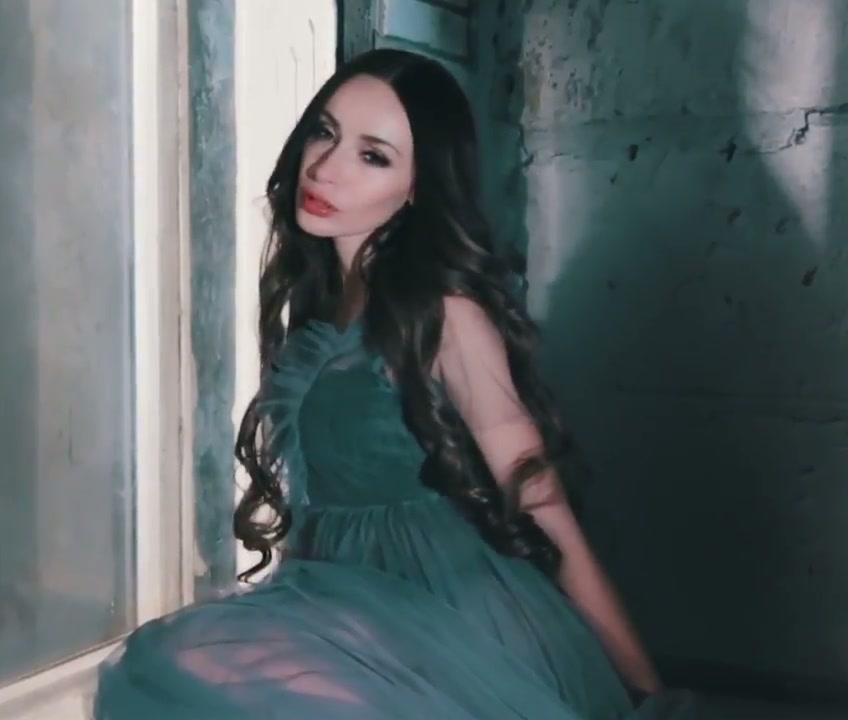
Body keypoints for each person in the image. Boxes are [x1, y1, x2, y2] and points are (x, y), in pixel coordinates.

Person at [93, 48, 697, 719]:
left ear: (417, 187)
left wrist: (648, 694)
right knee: (171, 666)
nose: (325, 168)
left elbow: (538, 499)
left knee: (174, 666)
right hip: (342, 600)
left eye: (372, 156)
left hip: (443, 606)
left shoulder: (445, 312)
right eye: (324, 133)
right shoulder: (323, 308)